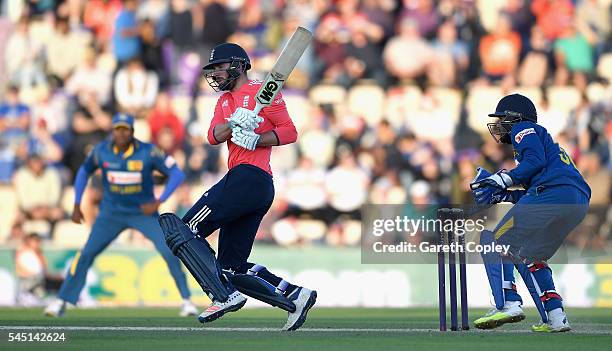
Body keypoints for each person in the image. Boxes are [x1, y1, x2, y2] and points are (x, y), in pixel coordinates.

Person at [158, 43, 317, 331]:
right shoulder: (224, 102)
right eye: (213, 70)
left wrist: (258, 138)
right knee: (230, 268)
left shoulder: (262, 92)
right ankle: (294, 296)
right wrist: (233, 124)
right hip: (249, 184)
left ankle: (221, 295)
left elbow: (289, 131)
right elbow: (213, 136)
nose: (216, 74)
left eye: (220, 67)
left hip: (250, 177)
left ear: (240, 65)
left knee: (182, 230)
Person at [44, 113, 197, 317]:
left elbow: (177, 174)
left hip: (142, 212)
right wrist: (77, 203)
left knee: (169, 250)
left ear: (132, 132)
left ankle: (187, 301)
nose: (121, 133)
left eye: (125, 129)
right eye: (118, 129)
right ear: (112, 131)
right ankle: (62, 301)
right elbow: (83, 172)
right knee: (86, 254)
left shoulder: (148, 151)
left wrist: (159, 201)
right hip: (111, 213)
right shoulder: (101, 151)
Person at [470, 94, 591, 332]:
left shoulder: (524, 128)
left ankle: (508, 303)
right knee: (532, 257)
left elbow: (534, 165)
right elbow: (533, 192)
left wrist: (502, 178)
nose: (500, 125)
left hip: (553, 193)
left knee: (496, 241)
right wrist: (503, 194)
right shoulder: (545, 146)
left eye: (503, 119)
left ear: (516, 118)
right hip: (575, 201)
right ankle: (556, 317)